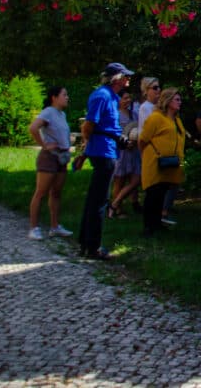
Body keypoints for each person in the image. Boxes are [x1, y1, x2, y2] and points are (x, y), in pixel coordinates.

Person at [78, 62, 135, 260]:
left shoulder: (112, 97)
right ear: (116, 78)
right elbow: (89, 125)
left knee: (95, 198)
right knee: (99, 200)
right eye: (125, 76)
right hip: (103, 151)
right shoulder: (102, 95)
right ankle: (93, 246)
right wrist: (86, 149)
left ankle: (86, 243)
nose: (128, 79)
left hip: (108, 148)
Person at [138, 88, 187, 237]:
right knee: (153, 193)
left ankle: (157, 223)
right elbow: (143, 139)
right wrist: (145, 156)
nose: (180, 102)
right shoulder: (156, 118)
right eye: (177, 100)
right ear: (168, 101)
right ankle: (148, 227)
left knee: (162, 193)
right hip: (155, 162)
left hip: (171, 163)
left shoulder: (177, 120)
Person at [28, 86, 73, 240]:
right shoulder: (48, 112)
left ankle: (55, 226)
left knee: (56, 193)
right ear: (54, 97)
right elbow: (33, 128)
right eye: (64, 95)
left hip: (62, 157)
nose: (67, 97)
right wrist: (44, 145)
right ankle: (34, 228)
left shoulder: (62, 114)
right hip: (49, 157)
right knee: (41, 193)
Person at [109, 90, 140, 218]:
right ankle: (117, 209)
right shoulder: (115, 115)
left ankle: (114, 204)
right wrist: (124, 143)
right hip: (121, 152)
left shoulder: (134, 114)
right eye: (125, 98)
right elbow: (113, 133)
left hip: (134, 152)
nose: (128, 100)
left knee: (136, 180)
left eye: (129, 98)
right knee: (119, 182)